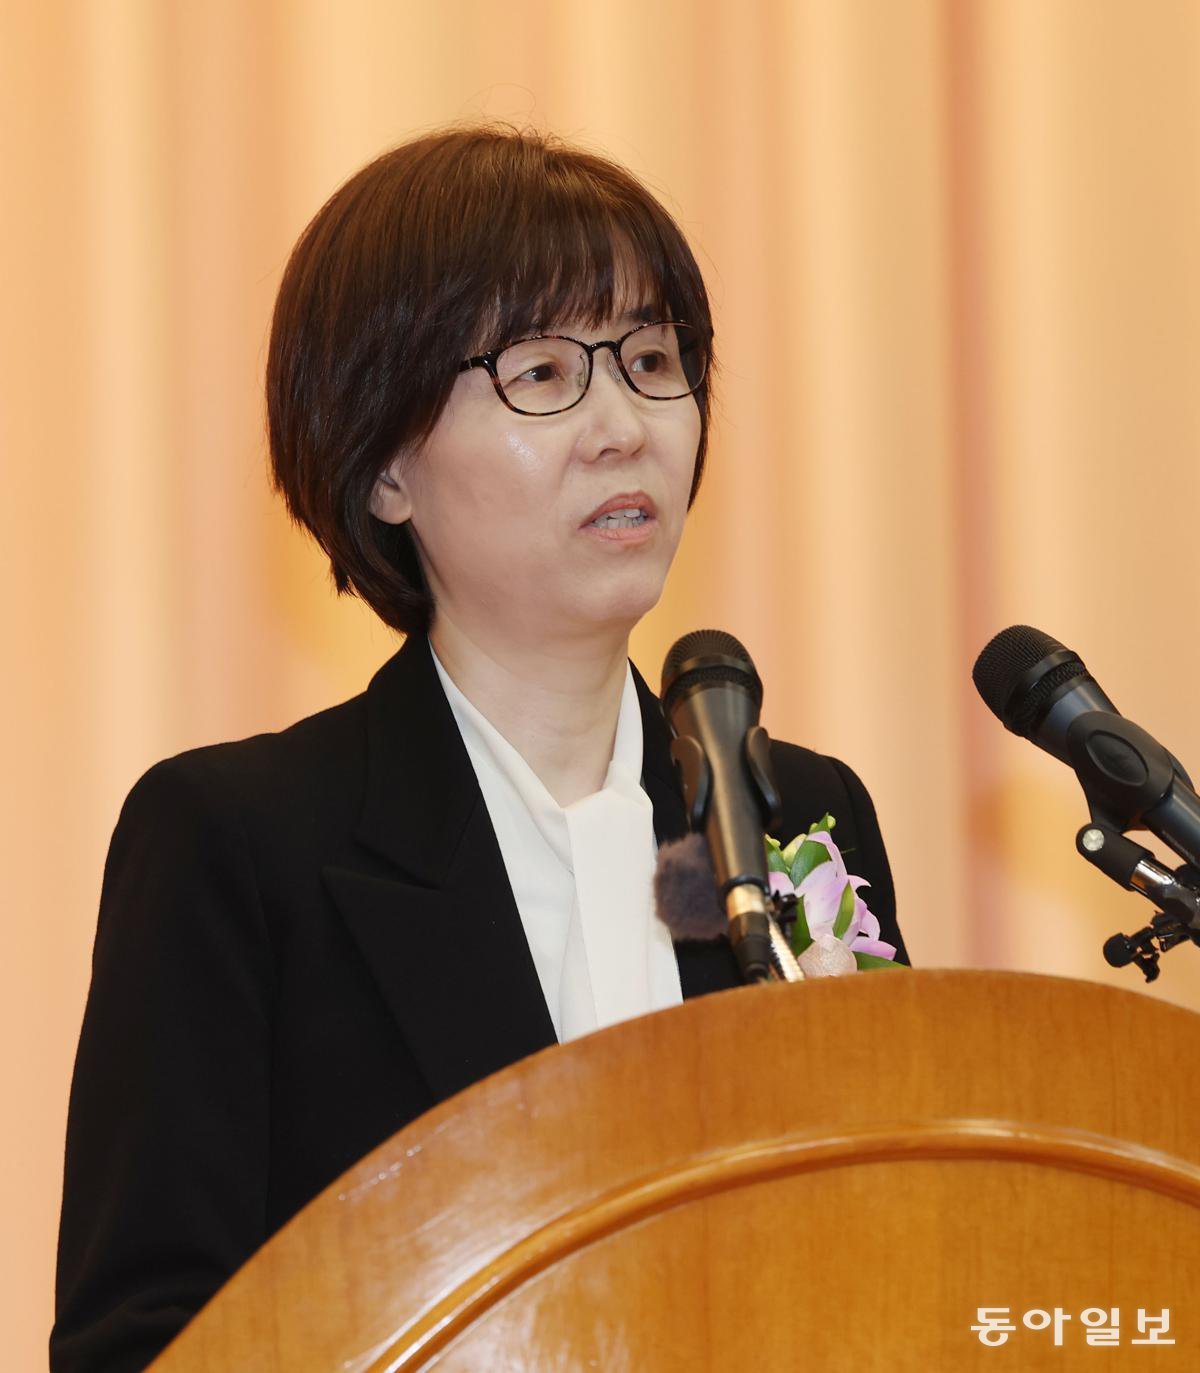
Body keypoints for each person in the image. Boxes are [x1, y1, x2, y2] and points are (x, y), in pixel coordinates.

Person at [51, 124, 908, 1372]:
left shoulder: (793, 812)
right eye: (545, 372)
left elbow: (902, 1242)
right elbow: (146, 1338)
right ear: (386, 466)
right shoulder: (241, 843)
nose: (624, 426)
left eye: (653, 360)